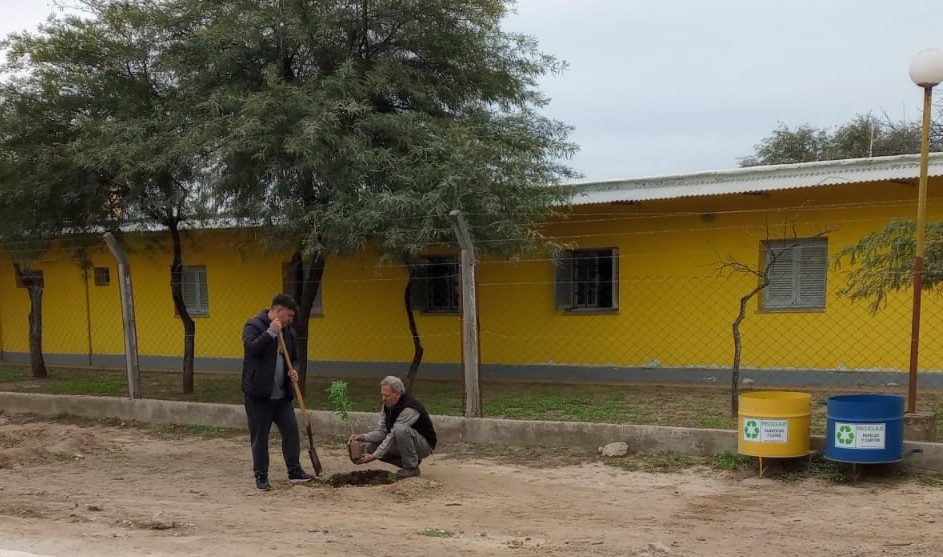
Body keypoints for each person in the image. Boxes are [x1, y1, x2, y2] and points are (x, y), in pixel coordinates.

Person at [241, 293, 316, 490]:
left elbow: (296, 357)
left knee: (291, 432)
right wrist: (270, 333)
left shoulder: (289, 331)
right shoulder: (254, 326)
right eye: (289, 315)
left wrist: (295, 370)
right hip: (259, 395)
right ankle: (261, 476)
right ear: (278, 311)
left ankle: (294, 470)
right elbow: (251, 349)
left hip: (282, 396)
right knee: (260, 437)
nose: (291, 320)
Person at [349, 375, 437, 479]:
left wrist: (374, 456)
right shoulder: (387, 406)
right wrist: (362, 437)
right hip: (403, 440)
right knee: (370, 447)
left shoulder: (409, 408)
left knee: (400, 429)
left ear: (398, 393)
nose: (383, 399)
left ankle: (411, 468)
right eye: (382, 395)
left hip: (424, 445)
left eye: (387, 395)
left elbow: (392, 435)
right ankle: (411, 463)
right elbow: (381, 432)